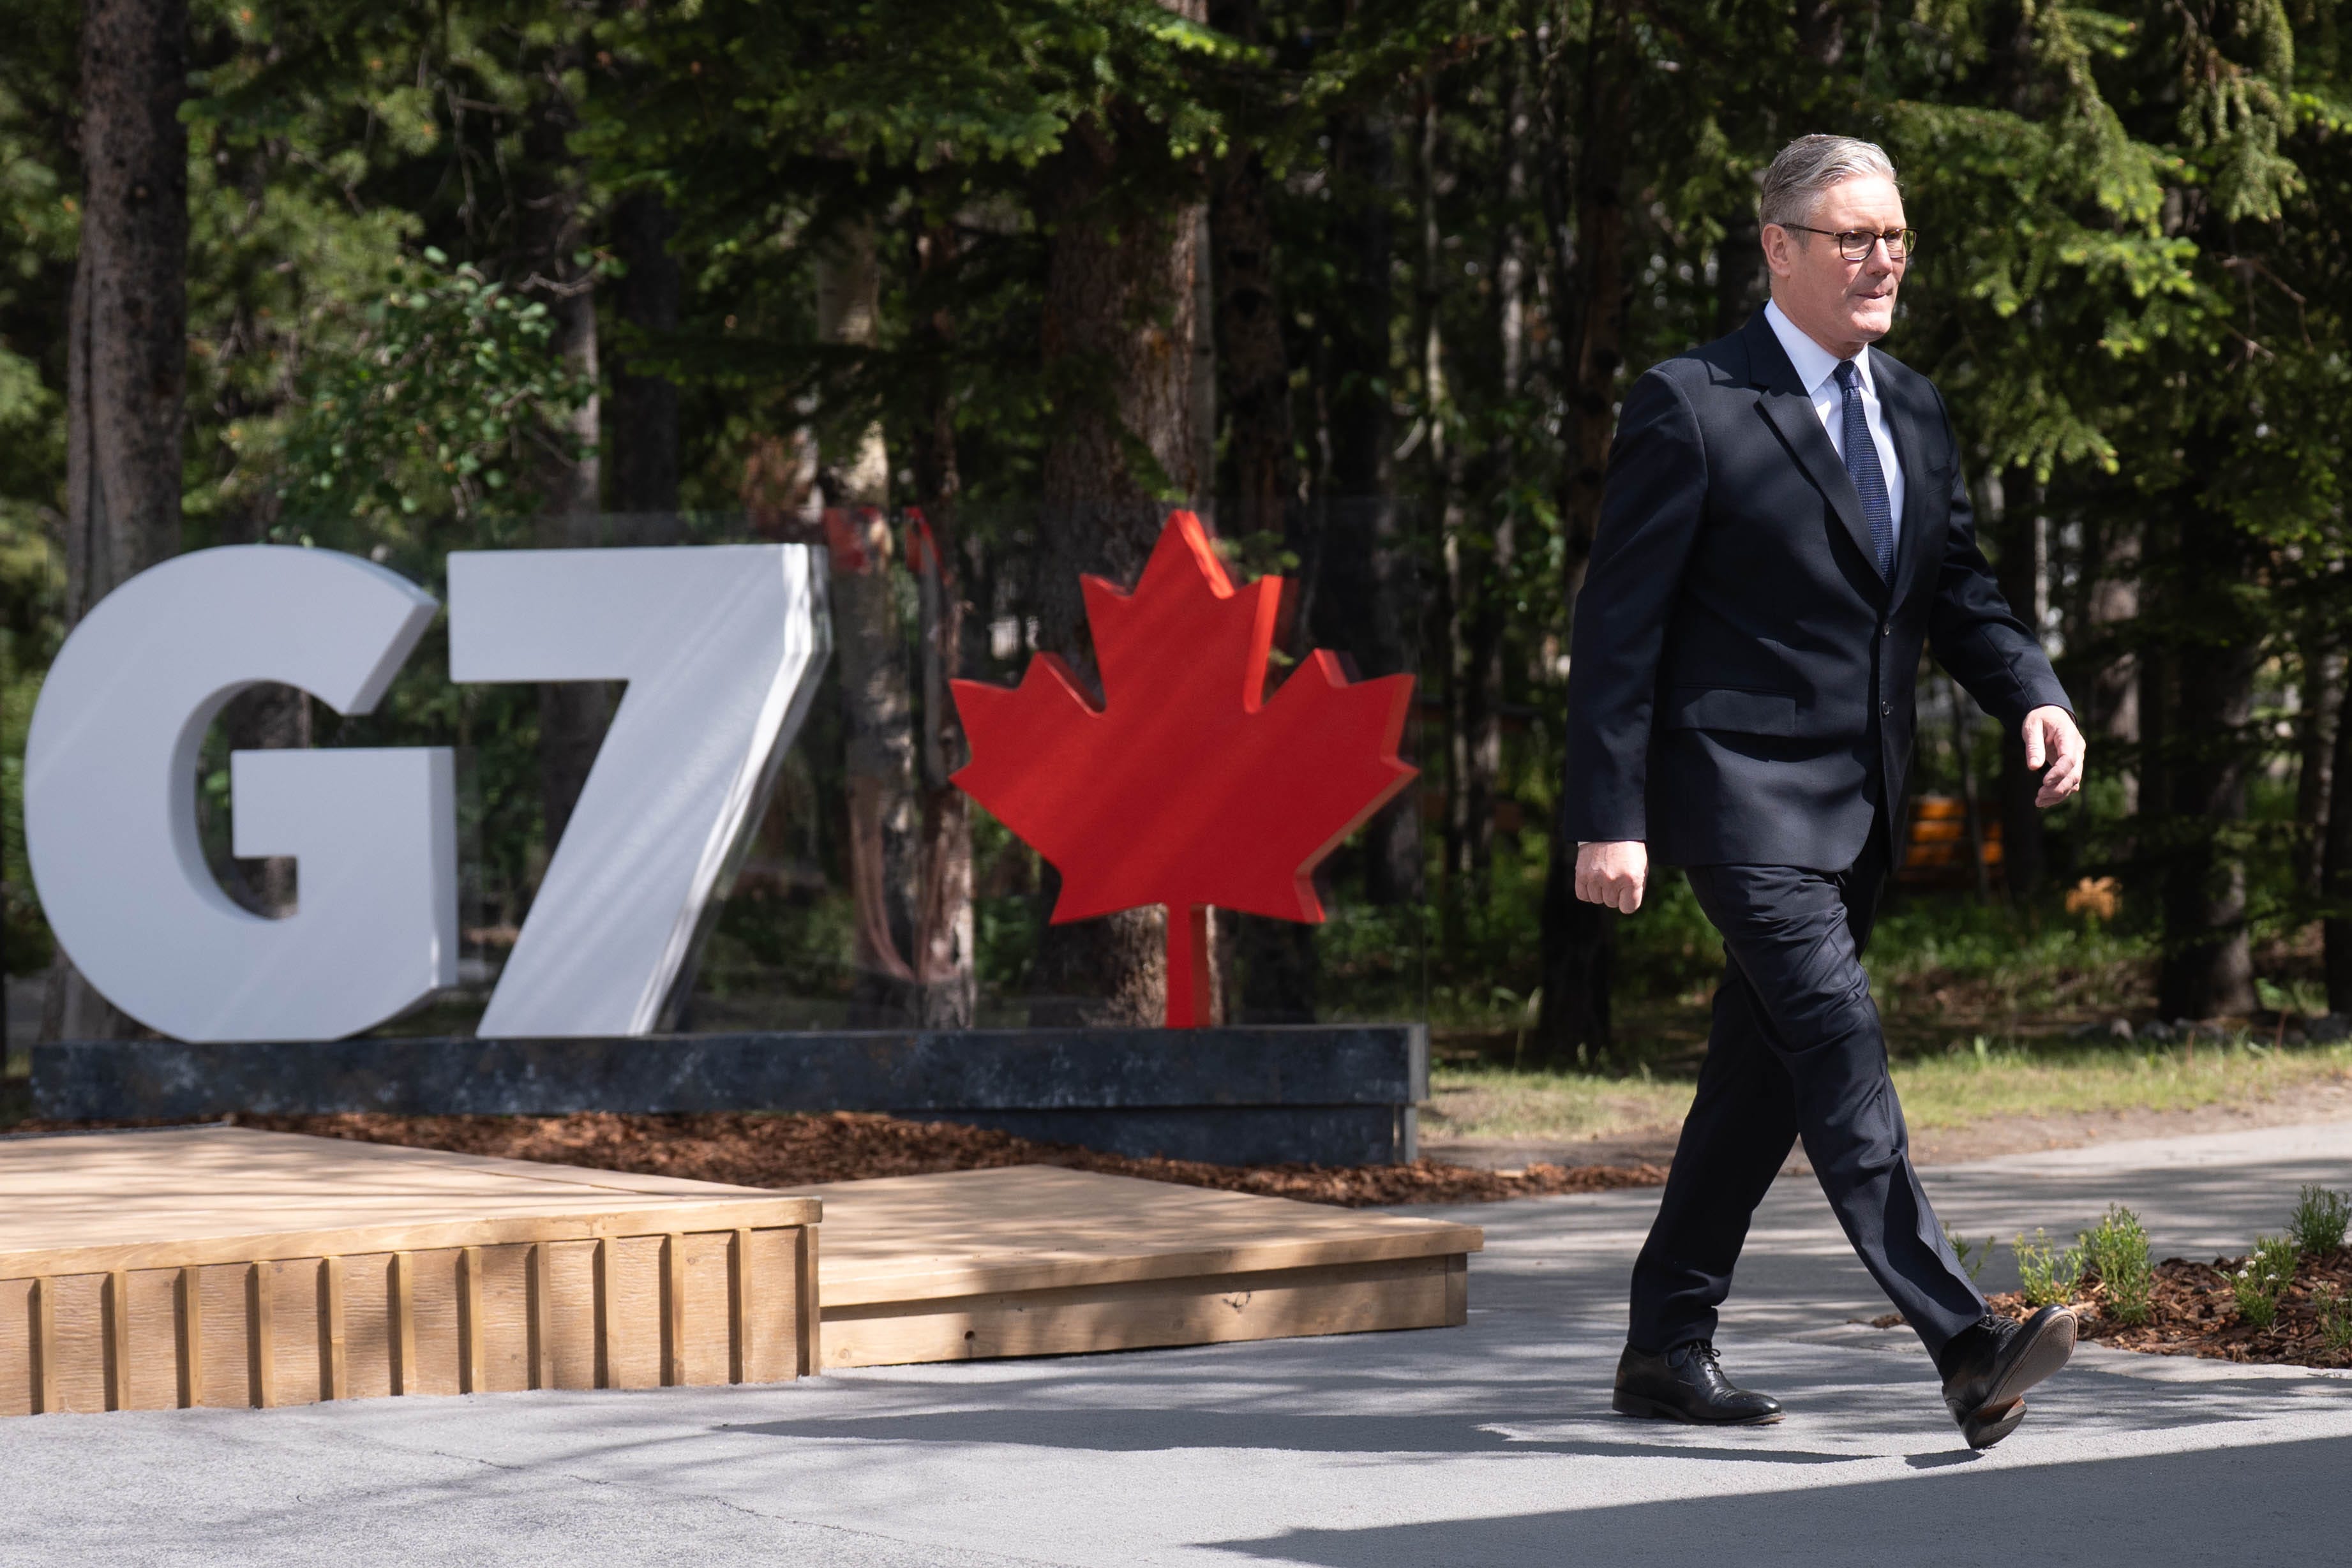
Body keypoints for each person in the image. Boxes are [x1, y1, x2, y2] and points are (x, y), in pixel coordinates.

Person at [1561, 133, 2085, 1450]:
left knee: (1756, 1083)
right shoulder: (1692, 402)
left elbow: (1953, 588)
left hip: (1860, 805)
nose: (1882, 259)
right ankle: (1964, 1338)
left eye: (1894, 236)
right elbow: (1618, 628)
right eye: (1853, 236)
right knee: (1841, 1046)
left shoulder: (1909, 405)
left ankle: (1663, 1344)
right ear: (1778, 247)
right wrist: (1608, 815)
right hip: (1736, 794)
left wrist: (2031, 689)